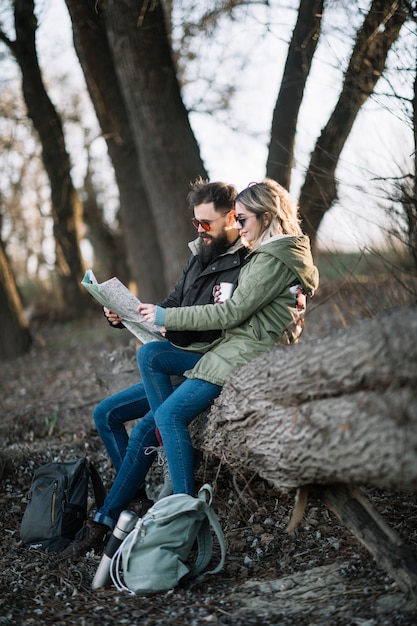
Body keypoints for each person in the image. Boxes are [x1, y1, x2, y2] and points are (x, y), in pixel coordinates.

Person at [57, 179, 247, 560]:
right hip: (173, 356)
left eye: (205, 224)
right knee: (105, 414)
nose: (199, 231)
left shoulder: (243, 263)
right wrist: (126, 314)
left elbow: (219, 323)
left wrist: (165, 322)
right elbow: (172, 303)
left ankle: (106, 519)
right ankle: (138, 499)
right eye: (195, 223)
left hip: (202, 360)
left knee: (147, 424)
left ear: (231, 218)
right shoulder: (198, 258)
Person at [137, 178, 319, 496]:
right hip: (235, 348)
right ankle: (177, 460)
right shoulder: (270, 254)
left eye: (242, 219)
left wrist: (166, 316)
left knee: (168, 415)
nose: (239, 225)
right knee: (152, 355)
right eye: (235, 218)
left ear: (267, 215)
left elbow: (231, 313)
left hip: (246, 355)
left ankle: (181, 503)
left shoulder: (272, 260)